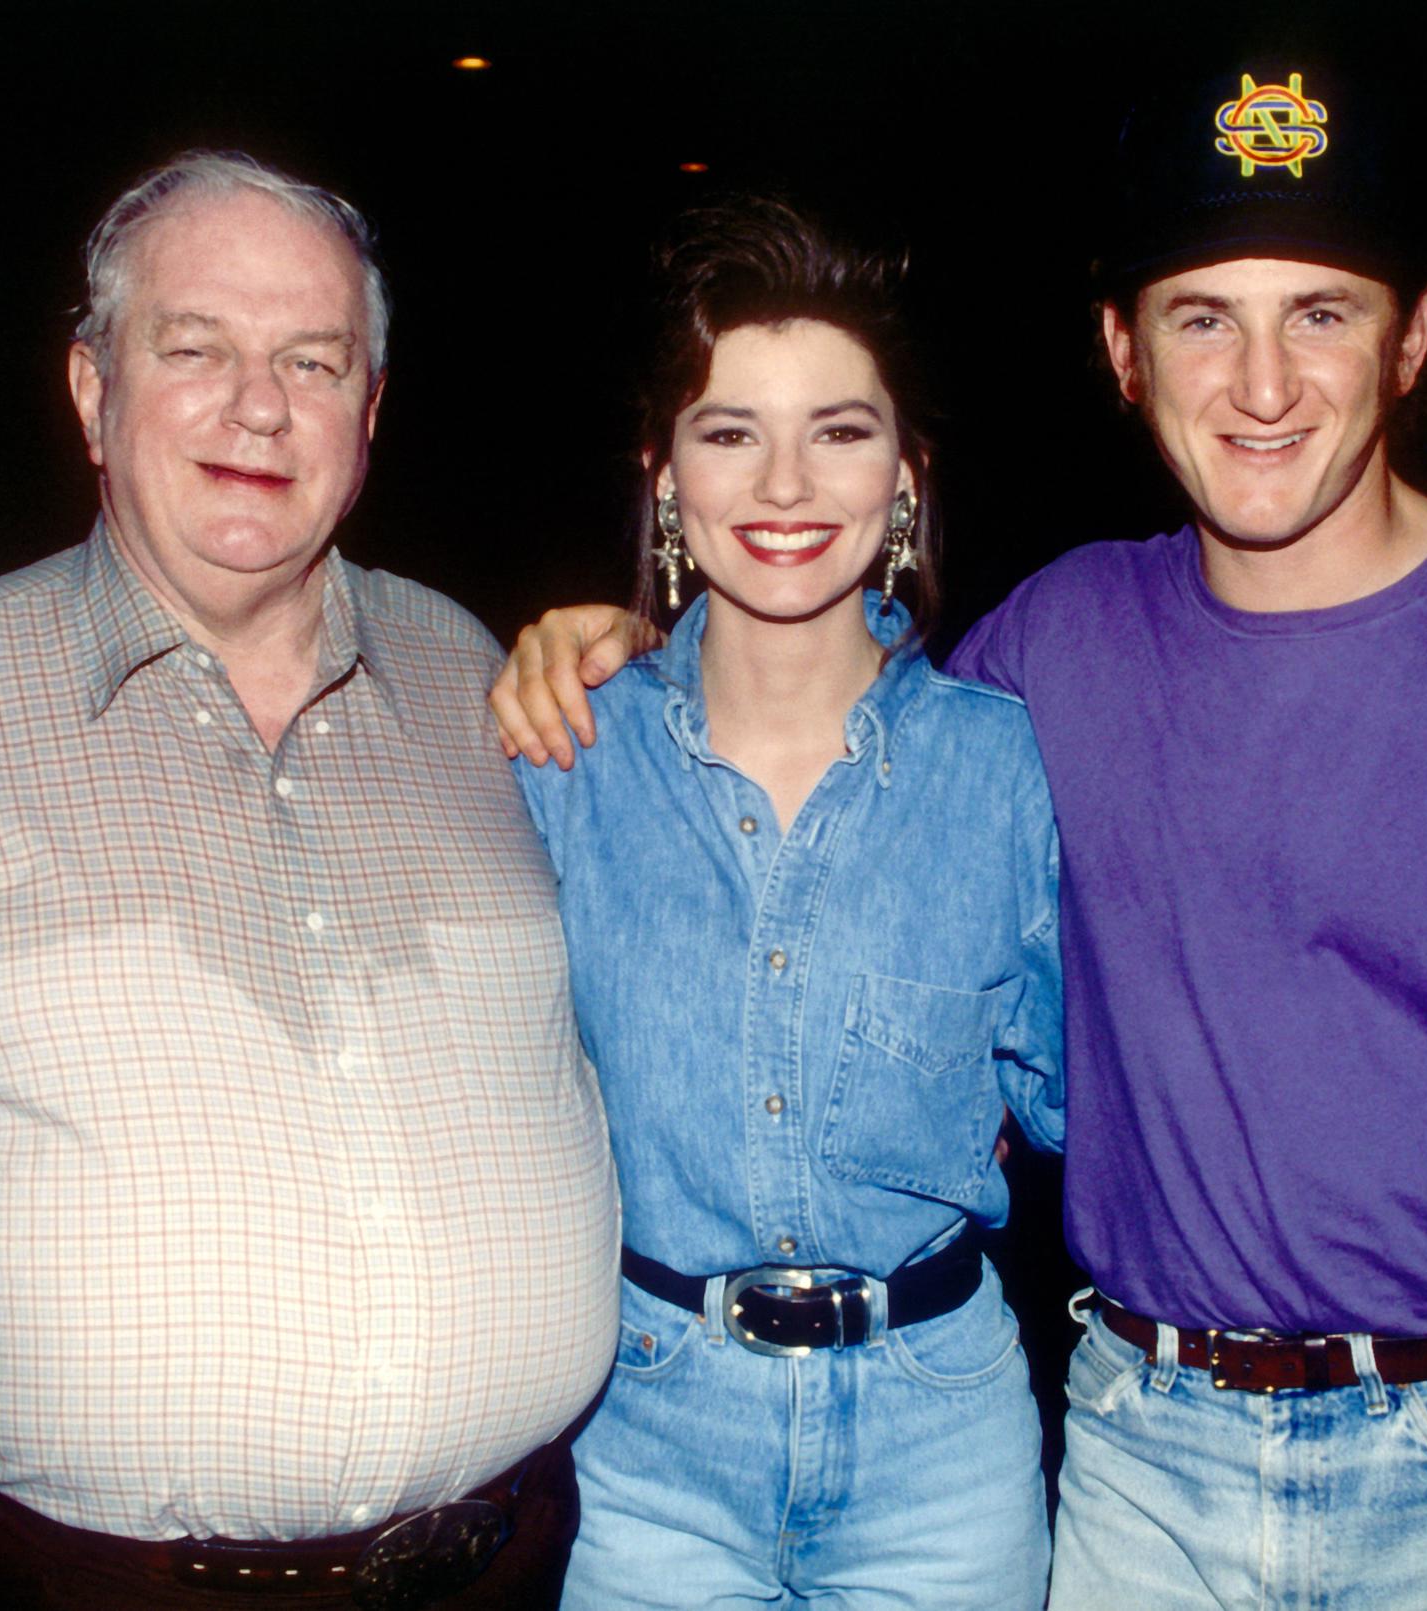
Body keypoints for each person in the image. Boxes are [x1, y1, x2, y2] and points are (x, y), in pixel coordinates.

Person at [492, 59, 1427, 1611]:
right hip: (1144, 1468)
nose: (1263, 383)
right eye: (1204, 316)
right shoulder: (1048, 653)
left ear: (1416, 336)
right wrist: (604, 638)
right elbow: (835, 718)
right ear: (1124, 353)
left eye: (1323, 310)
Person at [0, 150, 621, 1611]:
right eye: (193, 347)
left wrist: (658, 660)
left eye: (312, 360)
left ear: (370, 411)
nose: (258, 403)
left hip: (515, 1567)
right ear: (91, 389)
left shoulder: (482, 679)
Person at [514, 198, 1063, 1608]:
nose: (784, 480)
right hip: (646, 1449)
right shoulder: (563, 758)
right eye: (728, 429)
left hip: (942, 1451)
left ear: (906, 476)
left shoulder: (1008, 766)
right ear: (662, 475)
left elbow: (1094, 1102)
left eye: (840, 427)